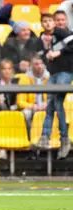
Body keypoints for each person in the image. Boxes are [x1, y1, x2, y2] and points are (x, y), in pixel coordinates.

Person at [35, 13, 73, 159]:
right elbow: (46, 56)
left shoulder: (62, 32)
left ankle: (63, 138)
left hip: (65, 72)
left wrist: (58, 52)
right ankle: (46, 137)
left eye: (52, 21)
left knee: (56, 103)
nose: (50, 24)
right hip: (54, 73)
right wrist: (48, 54)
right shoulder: (47, 38)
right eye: (46, 21)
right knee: (51, 104)